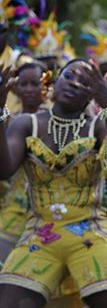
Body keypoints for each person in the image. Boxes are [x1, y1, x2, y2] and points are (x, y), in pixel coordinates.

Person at [0, 59, 107, 308]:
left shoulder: (98, 127)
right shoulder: (26, 123)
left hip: (93, 232)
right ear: (55, 82)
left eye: (86, 82)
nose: (75, 83)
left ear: (92, 93)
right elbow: (4, 168)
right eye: (70, 76)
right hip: (39, 235)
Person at [0, 61, 47, 260]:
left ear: (46, 85)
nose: (28, 89)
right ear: (15, 88)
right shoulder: (7, 120)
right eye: (23, 84)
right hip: (13, 209)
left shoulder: (55, 121)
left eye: (34, 83)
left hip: (48, 212)